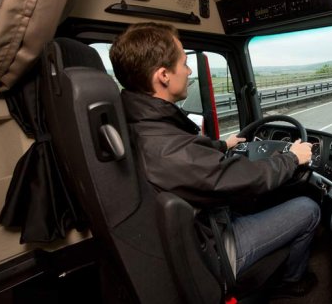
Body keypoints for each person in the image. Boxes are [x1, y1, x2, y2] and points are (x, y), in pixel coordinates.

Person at [109, 22, 320, 297]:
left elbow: (187, 151)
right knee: (308, 208)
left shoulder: (139, 121)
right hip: (214, 249)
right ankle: (292, 281)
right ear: (163, 75)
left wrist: (222, 145)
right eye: (184, 63)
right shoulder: (168, 150)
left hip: (199, 229)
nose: (187, 71)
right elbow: (253, 177)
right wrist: (293, 158)